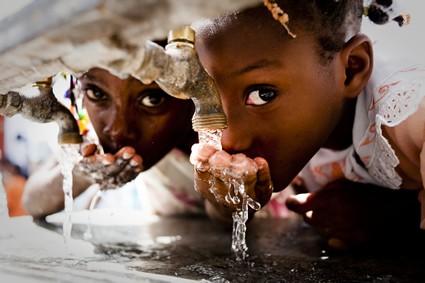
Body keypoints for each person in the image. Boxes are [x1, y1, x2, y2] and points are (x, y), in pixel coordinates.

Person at [189, 0, 425, 249]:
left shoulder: (409, 113)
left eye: (263, 95)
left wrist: (400, 217)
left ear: (352, 69)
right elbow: (223, 221)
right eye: (208, 97)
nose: (229, 138)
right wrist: (228, 202)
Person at [22, 63, 203, 218]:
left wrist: (217, 200)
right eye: (97, 93)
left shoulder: (218, 134)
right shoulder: (89, 134)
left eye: (152, 99)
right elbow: (32, 201)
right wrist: (82, 175)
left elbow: (225, 222)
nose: (117, 130)